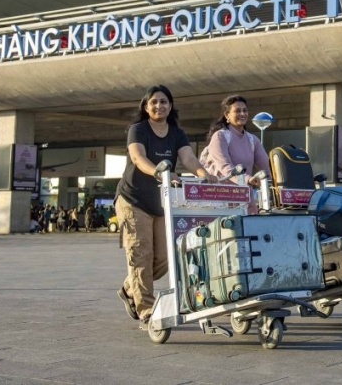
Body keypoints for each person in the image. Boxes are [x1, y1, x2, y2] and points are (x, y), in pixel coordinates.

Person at [115, 85, 208, 328]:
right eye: (154, 102)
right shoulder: (138, 129)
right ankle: (147, 310)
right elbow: (138, 158)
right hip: (133, 199)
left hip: (162, 201)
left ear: (170, 105)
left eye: (164, 101)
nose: (159, 106)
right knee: (141, 254)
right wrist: (160, 172)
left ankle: (130, 288)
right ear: (146, 107)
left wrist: (203, 175)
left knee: (166, 257)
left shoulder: (177, 133)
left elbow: (188, 158)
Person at [202, 94, 271, 189]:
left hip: (245, 193)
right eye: (237, 111)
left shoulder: (253, 140)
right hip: (221, 193)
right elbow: (225, 167)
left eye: (245, 110)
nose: (242, 114)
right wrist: (247, 179)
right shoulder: (220, 136)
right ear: (227, 115)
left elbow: (267, 167)